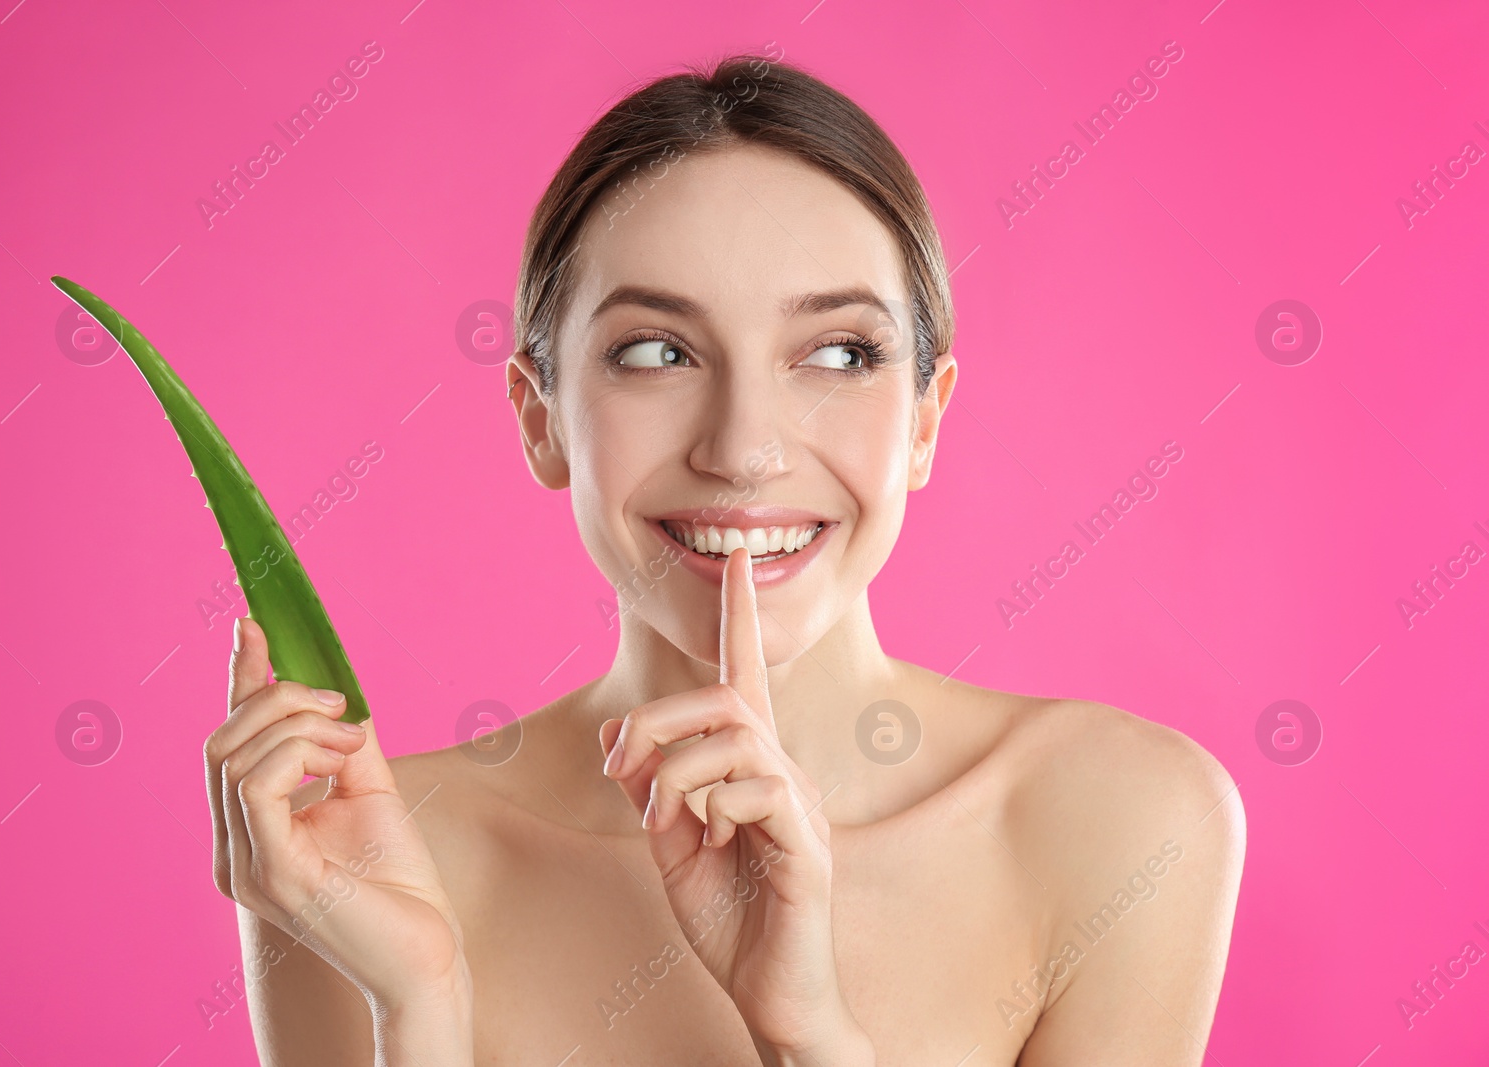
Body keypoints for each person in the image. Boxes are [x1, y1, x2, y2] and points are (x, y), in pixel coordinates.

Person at [204, 51, 1245, 1066]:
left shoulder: (1118, 820)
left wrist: (809, 1033)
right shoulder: (365, 855)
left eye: (839, 352)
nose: (742, 449)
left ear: (924, 420)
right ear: (540, 419)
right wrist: (419, 1008)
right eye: (657, 351)